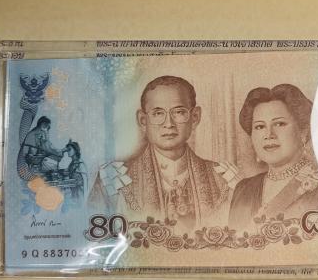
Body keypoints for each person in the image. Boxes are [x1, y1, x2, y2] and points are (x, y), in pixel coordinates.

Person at [89, 75, 236, 230]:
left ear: (195, 117)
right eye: (158, 113)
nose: (169, 124)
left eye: (179, 112)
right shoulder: (112, 180)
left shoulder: (223, 181)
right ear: (143, 120)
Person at [229, 84, 318, 231]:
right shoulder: (243, 190)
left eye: (279, 124)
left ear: (303, 131)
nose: (269, 135)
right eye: (260, 127)